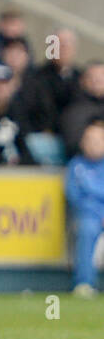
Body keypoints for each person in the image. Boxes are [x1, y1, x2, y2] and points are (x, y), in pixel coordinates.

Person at [65, 121, 104, 296]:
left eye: (98, 140)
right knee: (87, 230)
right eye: (89, 140)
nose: (93, 144)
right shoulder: (76, 166)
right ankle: (84, 283)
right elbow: (74, 196)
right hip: (89, 216)